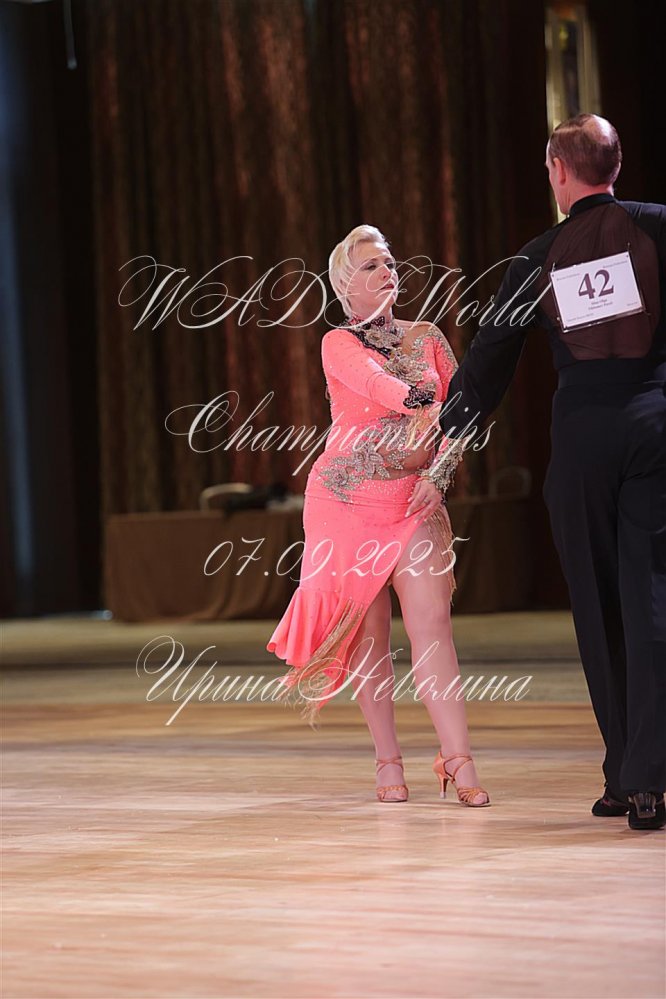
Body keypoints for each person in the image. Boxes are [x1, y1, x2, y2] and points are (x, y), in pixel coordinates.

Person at [441, 114, 665, 830]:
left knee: (600, 606)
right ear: (615, 165)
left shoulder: (539, 256)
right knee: (652, 597)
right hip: (655, 425)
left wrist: (448, 422)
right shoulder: (658, 227)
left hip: (582, 435)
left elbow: (492, 353)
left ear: (558, 172)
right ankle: (648, 780)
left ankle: (625, 776)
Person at [267, 224, 490, 806]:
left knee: (432, 626)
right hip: (345, 502)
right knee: (369, 634)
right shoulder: (337, 342)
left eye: (389, 262)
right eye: (370, 265)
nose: (386, 271)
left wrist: (438, 476)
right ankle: (387, 761)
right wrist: (417, 399)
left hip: (413, 499)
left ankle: (458, 758)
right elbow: (377, 384)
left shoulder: (428, 336)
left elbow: (461, 412)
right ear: (344, 284)